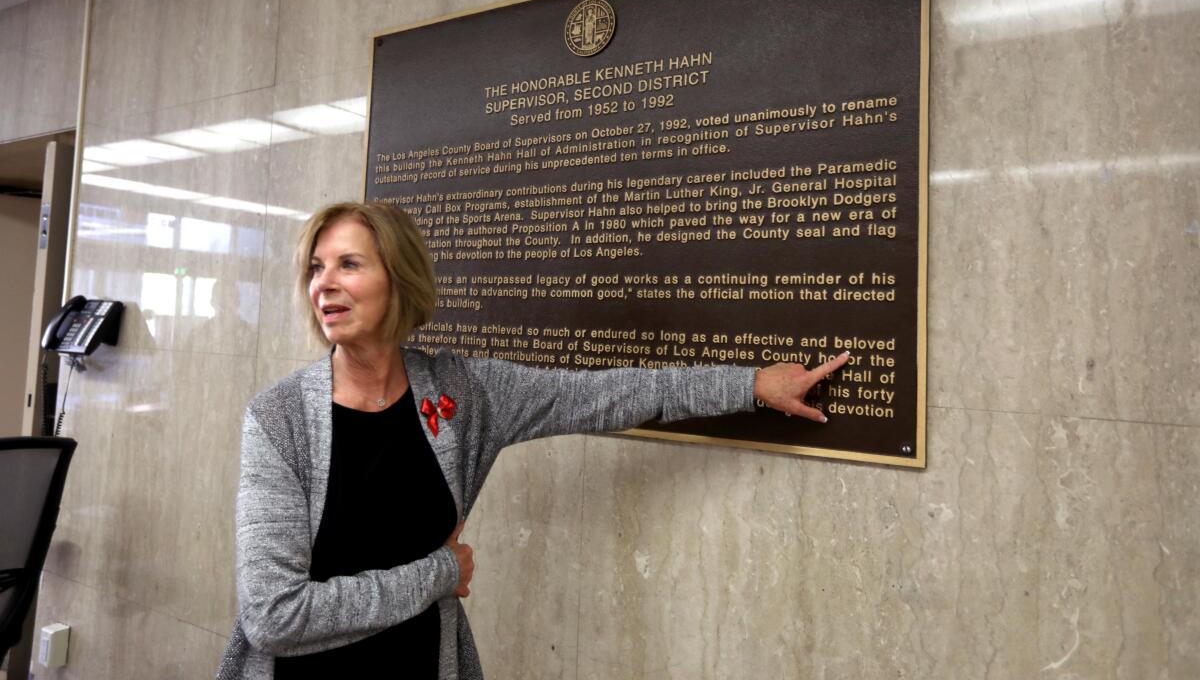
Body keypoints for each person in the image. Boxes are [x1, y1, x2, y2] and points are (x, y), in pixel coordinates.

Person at [215, 201, 848, 679]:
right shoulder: (279, 420)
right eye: (315, 268)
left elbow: (603, 396)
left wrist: (750, 385)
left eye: (348, 264)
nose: (323, 283)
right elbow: (273, 616)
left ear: (399, 278)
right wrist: (438, 573)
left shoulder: (461, 392)